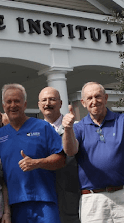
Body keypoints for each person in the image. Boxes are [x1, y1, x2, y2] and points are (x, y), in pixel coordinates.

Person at [0, 83, 66, 223]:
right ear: (3, 106)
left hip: (44, 202)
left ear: (25, 104)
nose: (13, 105)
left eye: (17, 101)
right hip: (14, 206)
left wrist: (38, 163)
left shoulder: (43, 127)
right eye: (9, 102)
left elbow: (61, 159)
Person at [62, 81, 124, 223]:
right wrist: (68, 129)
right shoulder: (79, 127)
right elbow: (70, 151)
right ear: (83, 102)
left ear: (106, 98)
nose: (94, 101)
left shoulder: (122, 120)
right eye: (89, 98)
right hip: (93, 199)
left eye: (98, 96)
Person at [38, 87, 80, 223]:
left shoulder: (76, 127)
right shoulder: (32, 132)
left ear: (61, 103)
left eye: (52, 99)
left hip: (72, 200)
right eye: (44, 100)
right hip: (44, 199)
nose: (47, 103)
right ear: (39, 105)